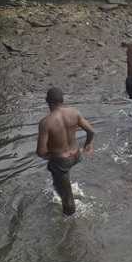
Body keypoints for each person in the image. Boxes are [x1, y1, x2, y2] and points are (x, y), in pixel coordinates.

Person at [36, 87, 95, 216]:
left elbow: (40, 151)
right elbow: (91, 131)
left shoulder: (46, 123)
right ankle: (62, 187)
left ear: (46, 101)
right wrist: (87, 145)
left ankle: (70, 221)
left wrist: (49, 156)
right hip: (76, 155)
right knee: (59, 175)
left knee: (68, 205)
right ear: (62, 100)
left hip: (61, 161)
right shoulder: (74, 113)